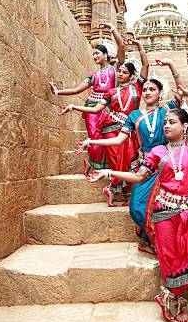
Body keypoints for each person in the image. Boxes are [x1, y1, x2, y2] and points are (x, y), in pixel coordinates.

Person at [88, 85, 188, 322]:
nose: (166, 125)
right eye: (165, 122)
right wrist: (108, 172)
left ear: (185, 126)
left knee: (187, 258)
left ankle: (178, 297)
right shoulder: (158, 151)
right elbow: (138, 177)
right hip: (164, 213)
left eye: (172, 122)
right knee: (169, 258)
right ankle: (174, 302)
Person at [79, 58, 184, 249]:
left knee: (167, 207)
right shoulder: (134, 116)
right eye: (145, 90)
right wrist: (92, 141)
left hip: (167, 165)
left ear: (160, 93)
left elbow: (181, 91)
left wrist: (171, 65)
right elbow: (118, 140)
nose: (147, 92)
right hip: (144, 166)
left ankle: (161, 243)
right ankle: (148, 235)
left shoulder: (167, 111)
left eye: (152, 89)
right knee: (136, 208)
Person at [59, 38, 149, 206]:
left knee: (131, 159)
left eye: (123, 72)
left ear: (131, 75)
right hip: (111, 128)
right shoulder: (111, 92)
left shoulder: (137, 87)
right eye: (119, 71)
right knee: (116, 160)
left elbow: (145, 66)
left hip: (130, 129)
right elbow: (95, 110)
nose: (120, 74)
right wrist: (74, 107)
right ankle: (115, 189)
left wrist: (140, 46)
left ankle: (120, 190)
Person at [48, 22, 125, 176]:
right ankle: (94, 165)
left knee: (106, 138)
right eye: (94, 54)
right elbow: (77, 90)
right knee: (95, 137)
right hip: (91, 108)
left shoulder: (116, 70)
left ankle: (97, 165)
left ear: (106, 55)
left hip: (109, 109)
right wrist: (57, 92)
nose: (95, 56)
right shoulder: (93, 75)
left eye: (97, 53)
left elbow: (122, 46)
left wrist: (112, 29)